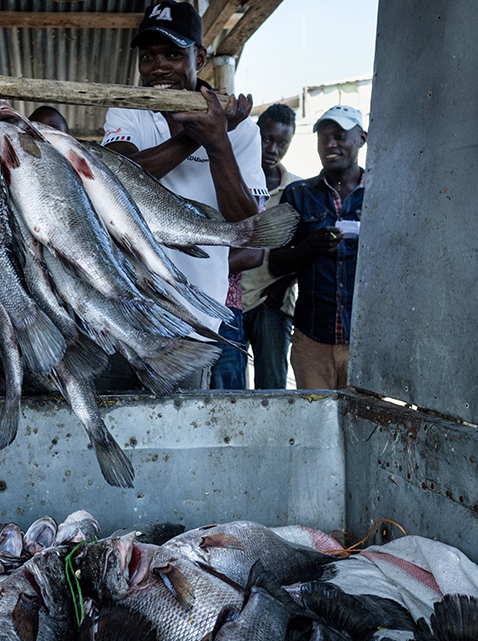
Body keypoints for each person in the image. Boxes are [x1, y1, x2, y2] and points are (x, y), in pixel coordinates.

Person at [99, 0, 267, 391]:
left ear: (200, 57)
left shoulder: (242, 130)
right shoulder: (128, 110)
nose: (158, 66)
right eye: (149, 56)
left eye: (174, 54)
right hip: (123, 308)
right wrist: (196, 134)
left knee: (175, 438)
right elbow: (118, 179)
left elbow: (249, 229)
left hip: (192, 321)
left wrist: (220, 140)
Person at [268, 105, 367, 390]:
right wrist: (311, 246)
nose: (330, 144)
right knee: (314, 426)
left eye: (339, 136)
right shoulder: (299, 195)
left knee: (364, 429)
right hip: (312, 340)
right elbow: (276, 263)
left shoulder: (383, 194)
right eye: (323, 138)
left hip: (365, 342)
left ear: (361, 138)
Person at [241, 103, 301, 389]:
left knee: (273, 387)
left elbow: (306, 250)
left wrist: (285, 284)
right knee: (227, 388)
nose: (273, 149)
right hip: (231, 301)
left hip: (272, 301)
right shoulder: (234, 181)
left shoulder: (298, 191)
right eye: (267, 139)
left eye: (282, 143)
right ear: (255, 134)